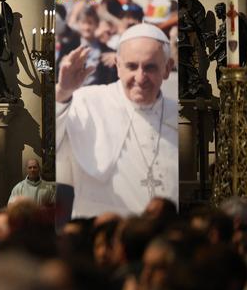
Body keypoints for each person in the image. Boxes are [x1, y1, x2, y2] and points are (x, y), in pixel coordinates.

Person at [56, 23, 179, 218]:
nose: (140, 77)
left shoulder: (178, 113)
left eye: (150, 67)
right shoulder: (86, 101)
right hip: (101, 234)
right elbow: (49, 145)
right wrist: (62, 92)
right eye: (131, 66)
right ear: (117, 65)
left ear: (167, 68)